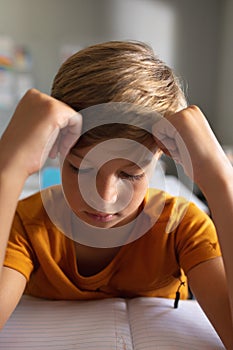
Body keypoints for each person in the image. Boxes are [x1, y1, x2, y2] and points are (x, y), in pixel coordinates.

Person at [0, 41, 232, 348]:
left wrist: (220, 178)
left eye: (130, 174)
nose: (104, 197)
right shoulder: (26, 227)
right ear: (55, 149)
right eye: (81, 169)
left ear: (160, 156)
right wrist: (7, 169)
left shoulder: (182, 228)